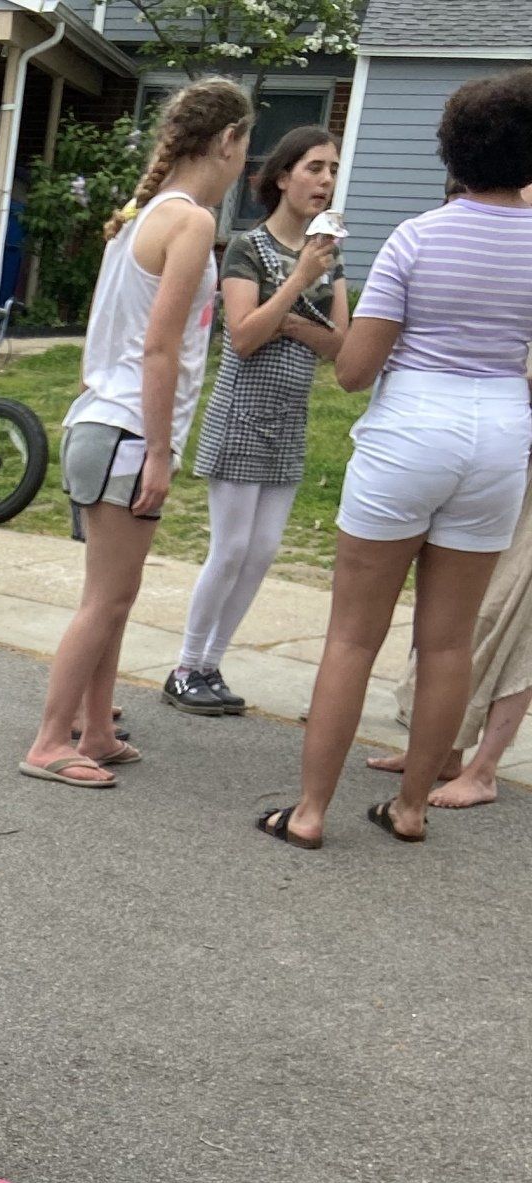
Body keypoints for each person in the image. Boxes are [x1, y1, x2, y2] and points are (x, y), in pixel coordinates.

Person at [260, 70, 532, 849]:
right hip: (498, 440)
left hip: (413, 431)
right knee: (448, 641)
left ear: (451, 151)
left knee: (354, 633)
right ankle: (412, 806)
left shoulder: (418, 238)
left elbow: (354, 369)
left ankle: (310, 812)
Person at [20, 78, 254, 789]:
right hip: (125, 433)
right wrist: (159, 451)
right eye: (247, 143)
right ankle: (49, 741)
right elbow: (158, 348)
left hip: (100, 422)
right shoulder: (191, 223)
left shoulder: (142, 216)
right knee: (106, 601)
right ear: (226, 142)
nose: (248, 157)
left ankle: (95, 728)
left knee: (114, 595)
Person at [167, 126, 350, 715]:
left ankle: (213, 664)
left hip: (289, 418)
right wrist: (300, 286)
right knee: (231, 546)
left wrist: (294, 322)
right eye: (314, 168)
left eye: (331, 170)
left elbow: (342, 345)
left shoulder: (331, 252)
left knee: (265, 549)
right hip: (243, 411)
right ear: (282, 177)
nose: (325, 180)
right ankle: (185, 666)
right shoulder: (249, 248)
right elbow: (243, 337)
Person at [367, 466, 532, 808]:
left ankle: (483, 771)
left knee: (518, 618)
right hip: (510, 459)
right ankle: (444, 752)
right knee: (469, 607)